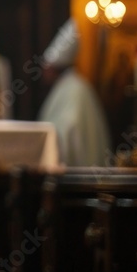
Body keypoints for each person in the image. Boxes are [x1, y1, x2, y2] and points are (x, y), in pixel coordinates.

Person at [37, 18, 112, 167]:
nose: (43, 71)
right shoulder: (66, 87)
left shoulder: (75, 89)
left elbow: (69, 131)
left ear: (53, 68)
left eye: (46, 65)